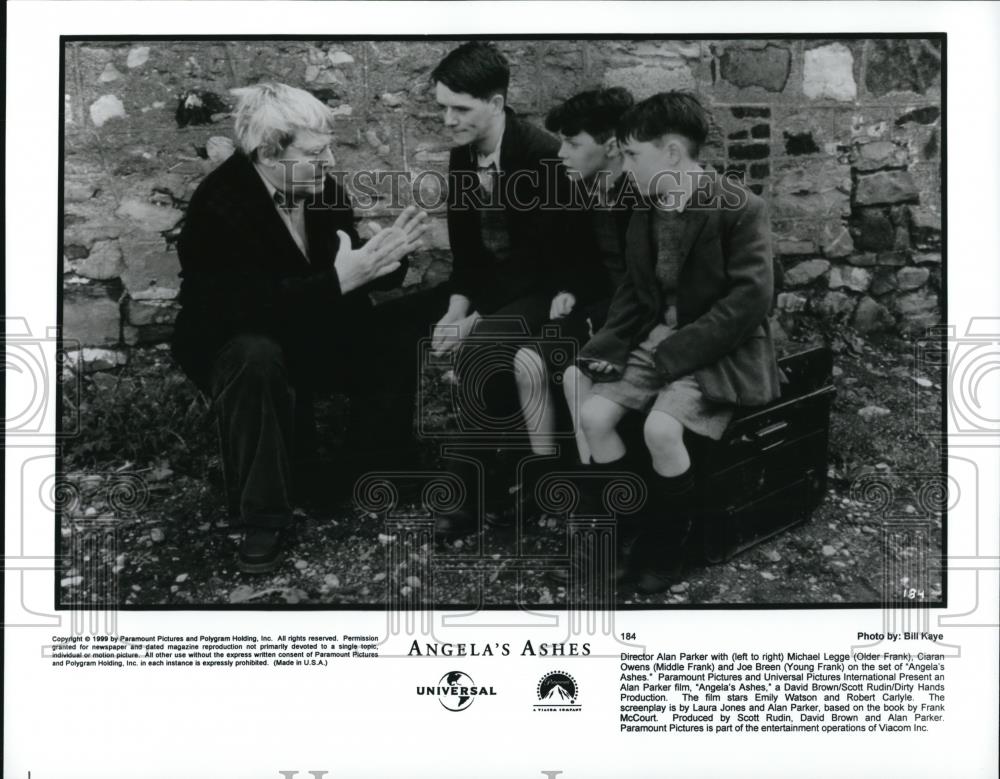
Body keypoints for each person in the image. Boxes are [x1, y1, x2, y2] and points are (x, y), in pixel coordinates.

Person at [171, 82, 428, 573]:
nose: (330, 158)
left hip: (307, 322)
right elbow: (241, 309)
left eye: (328, 146)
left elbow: (344, 260)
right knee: (256, 358)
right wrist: (339, 280)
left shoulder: (320, 185)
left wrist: (384, 259)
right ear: (269, 152)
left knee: (398, 330)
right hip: (236, 340)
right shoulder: (219, 205)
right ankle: (262, 516)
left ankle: (368, 469)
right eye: (316, 151)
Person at [572, 91, 783, 593]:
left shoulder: (738, 207)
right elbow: (632, 288)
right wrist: (608, 345)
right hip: (657, 338)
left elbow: (751, 299)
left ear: (671, 153)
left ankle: (667, 548)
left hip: (719, 347)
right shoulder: (645, 209)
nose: (624, 166)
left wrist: (677, 353)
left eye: (632, 154)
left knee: (662, 430)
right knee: (593, 417)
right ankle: (629, 531)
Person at [428, 41, 587, 535]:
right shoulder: (461, 159)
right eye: (443, 109)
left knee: (478, 351)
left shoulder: (542, 156)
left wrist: (474, 321)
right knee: (392, 327)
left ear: (496, 104)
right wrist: (455, 311)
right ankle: (384, 461)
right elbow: (467, 255)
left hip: (553, 288)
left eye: (461, 109)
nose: (449, 120)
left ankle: (465, 500)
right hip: (494, 292)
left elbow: (540, 263)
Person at [539, 86, 637, 465]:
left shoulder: (641, 194)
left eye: (572, 143)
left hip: (629, 320)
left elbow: (644, 282)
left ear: (611, 147)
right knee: (530, 360)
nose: (561, 153)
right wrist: (571, 291)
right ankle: (550, 476)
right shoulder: (584, 188)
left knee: (572, 375)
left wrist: (604, 320)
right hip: (601, 310)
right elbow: (582, 263)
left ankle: (590, 485)